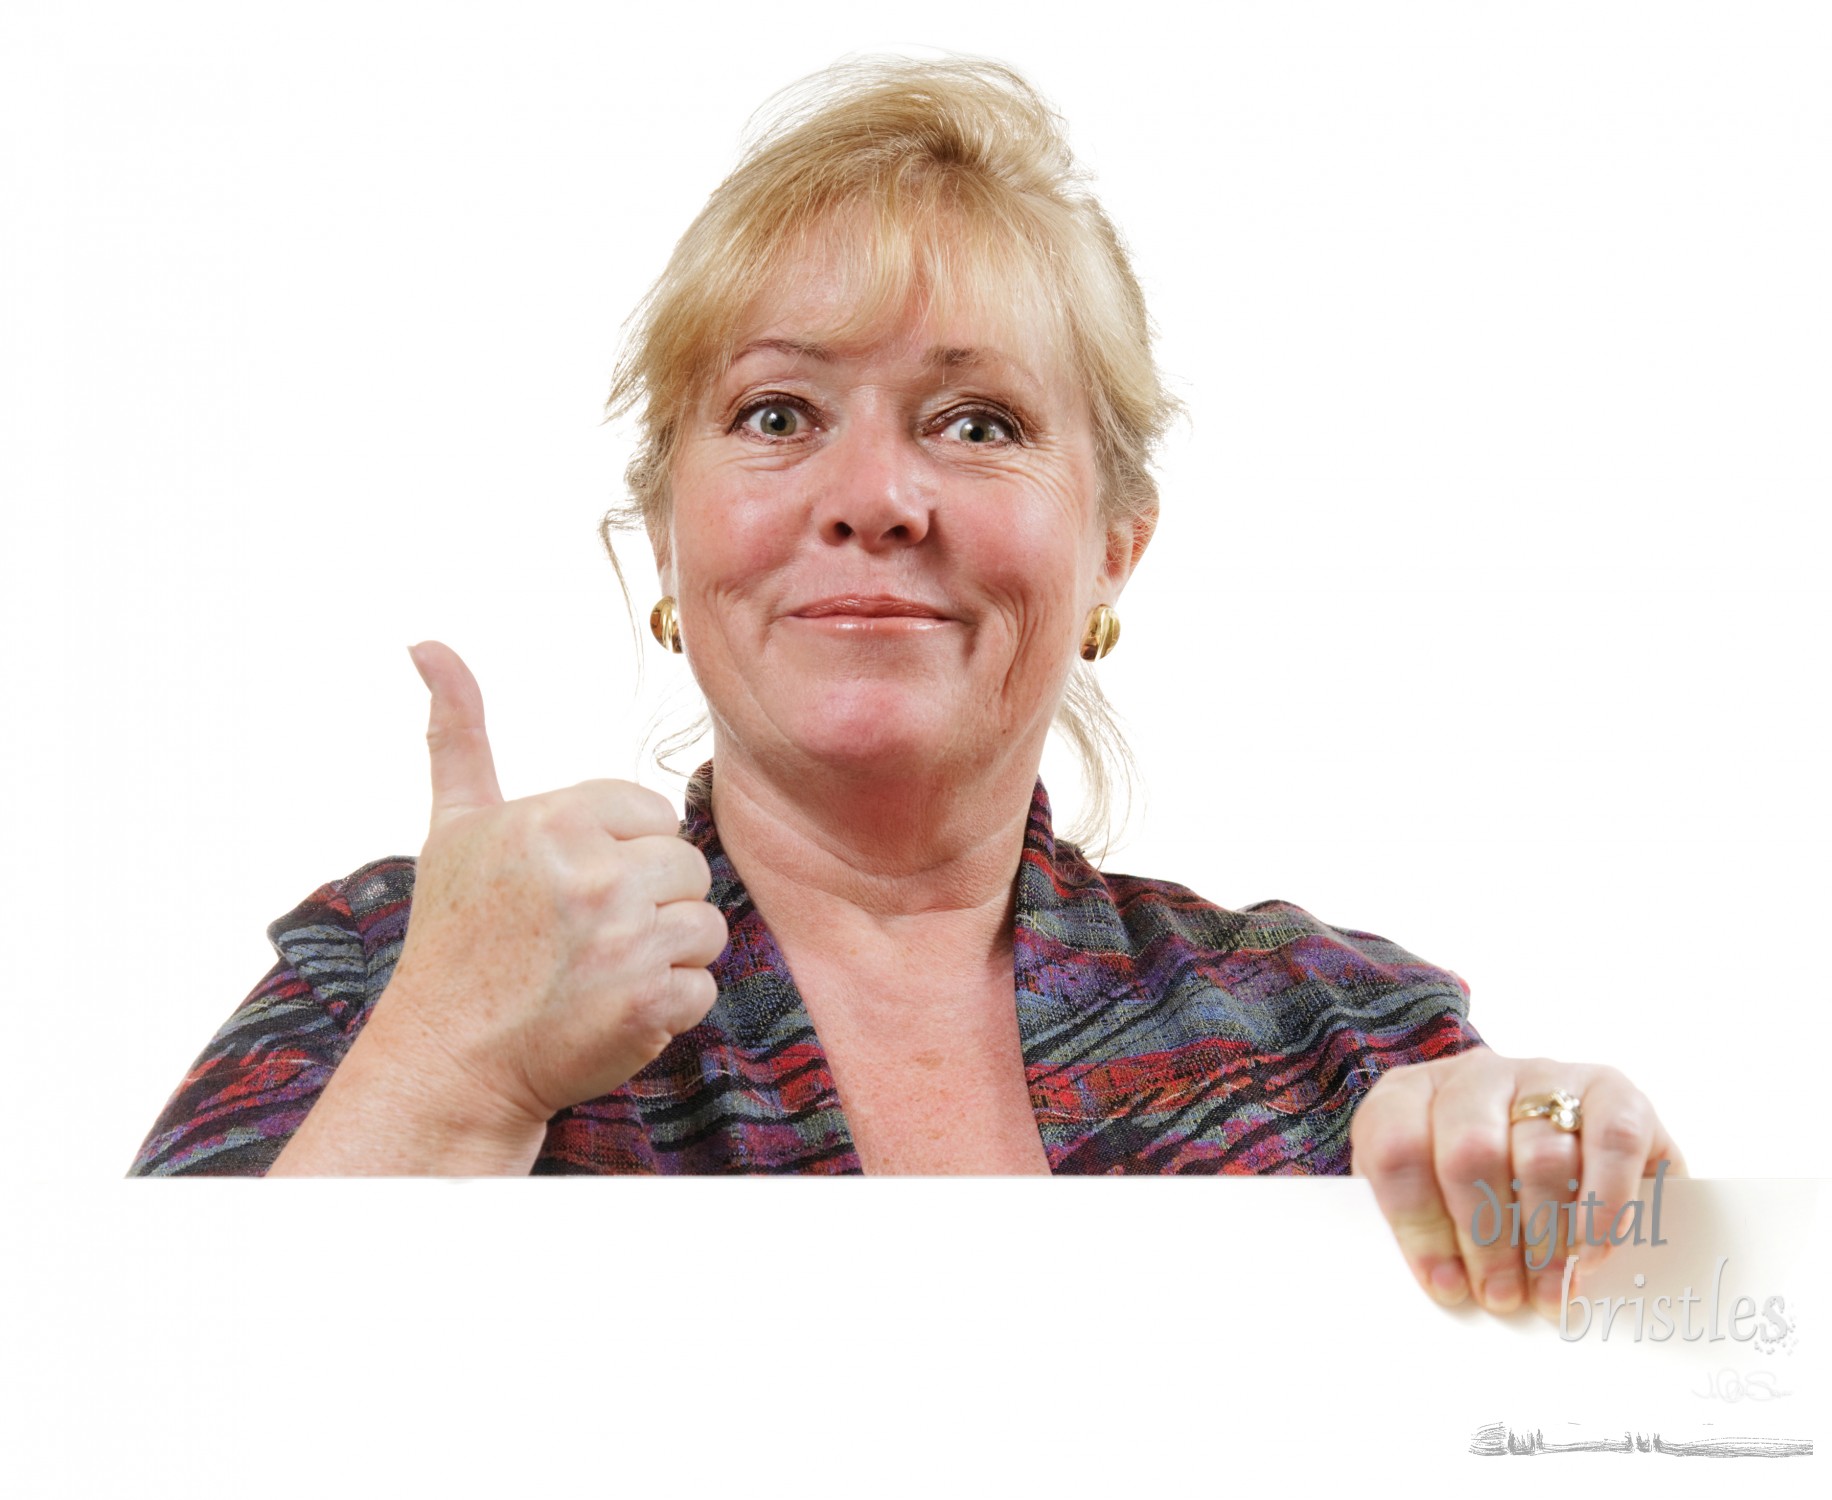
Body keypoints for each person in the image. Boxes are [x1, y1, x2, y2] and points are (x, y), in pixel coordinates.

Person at [129, 55, 1680, 1319]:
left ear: (1114, 550)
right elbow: (140, 1423)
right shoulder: (410, 974)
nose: (873, 496)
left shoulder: (1338, 1044)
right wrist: (455, 1070)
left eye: (980, 423)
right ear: (670, 537)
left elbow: (1661, 1417)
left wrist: (1584, 1215)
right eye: (779, 412)